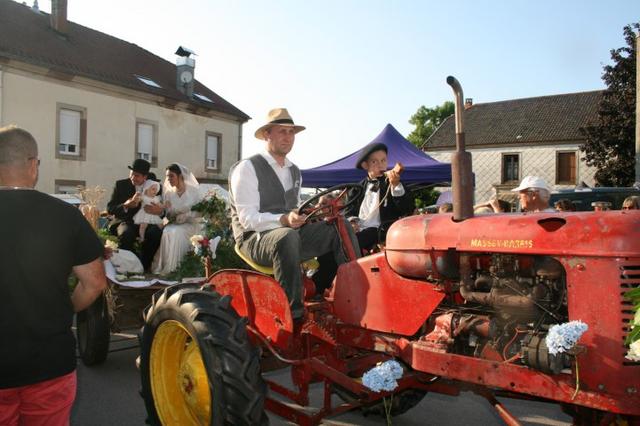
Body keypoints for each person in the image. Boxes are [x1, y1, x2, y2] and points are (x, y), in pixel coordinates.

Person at [0, 125, 107, 425]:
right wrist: (67, 308)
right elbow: (95, 282)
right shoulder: (65, 215)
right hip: (49, 362)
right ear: (33, 166)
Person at [229, 108, 360, 319]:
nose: (288, 137)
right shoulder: (247, 168)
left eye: (291, 132)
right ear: (267, 134)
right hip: (253, 238)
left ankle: (355, 295)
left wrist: (317, 208)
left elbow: (294, 209)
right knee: (287, 236)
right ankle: (293, 313)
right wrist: (283, 219)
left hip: (288, 234)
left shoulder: (294, 170)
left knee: (340, 226)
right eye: (282, 131)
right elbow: (247, 219)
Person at [344, 142, 414, 252]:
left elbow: (408, 208)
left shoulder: (392, 183)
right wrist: (352, 222)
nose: (380, 165)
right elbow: (348, 211)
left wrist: (395, 185)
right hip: (358, 230)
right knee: (336, 242)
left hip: (381, 231)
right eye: (374, 161)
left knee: (351, 244)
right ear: (365, 165)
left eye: (383, 160)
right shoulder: (356, 188)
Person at [107, 159, 163, 271]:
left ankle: (144, 266)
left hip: (147, 222)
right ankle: (127, 267)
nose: (133, 178)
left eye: (137, 175)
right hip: (126, 221)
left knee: (155, 233)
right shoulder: (120, 185)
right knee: (126, 234)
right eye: (131, 174)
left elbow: (163, 210)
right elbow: (110, 208)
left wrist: (158, 211)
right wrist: (126, 206)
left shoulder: (155, 186)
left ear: (145, 177)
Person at [151, 163, 202, 275]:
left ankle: (176, 268)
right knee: (167, 231)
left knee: (175, 232)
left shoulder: (194, 191)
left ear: (180, 176)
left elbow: (200, 211)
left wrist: (188, 215)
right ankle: (166, 266)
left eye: (171, 176)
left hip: (191, 225)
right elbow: (168, 214)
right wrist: (167, 219)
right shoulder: (169, 193)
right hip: (175, 223)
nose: (169, 179)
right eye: (167, 176)